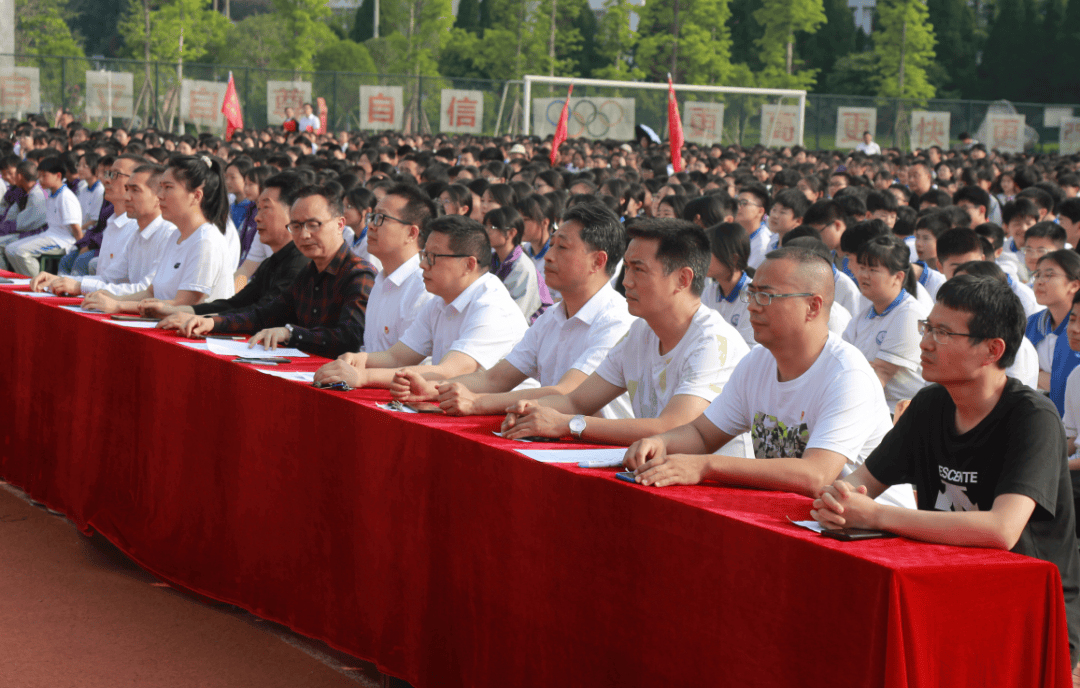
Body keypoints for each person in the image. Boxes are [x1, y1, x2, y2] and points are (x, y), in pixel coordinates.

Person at [810, 275, 1079, 675]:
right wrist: (835, 502)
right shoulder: (930, 403)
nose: (925, 342)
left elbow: (1000, 531)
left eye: (943, 332)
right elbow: (858, 483)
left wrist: (875, 515)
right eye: (927, 328)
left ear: (992, 349)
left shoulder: (1031, 418)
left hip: (1023, 607)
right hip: (941, 582)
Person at [621, 246, 914, 508]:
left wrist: (705, 466)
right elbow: (702, 434)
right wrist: (661, 442)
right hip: (799, 517)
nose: (752, 305)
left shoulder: (847, 375)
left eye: (766, 295)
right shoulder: (757, 362)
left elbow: (816, 475)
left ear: (813, 306)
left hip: (870, 533)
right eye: (752, 293)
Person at [500, 219, 752, 453]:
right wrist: (533, 412)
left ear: (682, 279)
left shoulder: (714, 343)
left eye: (638, 270)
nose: (626, 282)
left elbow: (672, 428)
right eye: (627, 268)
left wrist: (568, 424)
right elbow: (577, 401)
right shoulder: (640, 332)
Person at [393, 202, 635, 419]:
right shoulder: (551, 317)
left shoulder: (616, 322)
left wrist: (477, 402)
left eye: (562, 248)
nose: (548, 257)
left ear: (598, 261)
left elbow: (567, 392)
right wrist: (436, 389)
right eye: (551, 245)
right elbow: (495, 378)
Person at [312, 214, 528, 389]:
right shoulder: (441, 300)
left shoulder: (492, 307)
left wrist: (364, 376)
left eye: (432, 258)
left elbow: (449, 371)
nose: (423, 265)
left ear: (468, 265)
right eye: (424, 255)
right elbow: (398, 356)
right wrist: (360, 360)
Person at [179, 184, 376, 358]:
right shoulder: (296, 266)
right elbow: (251, 297)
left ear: (340, 225)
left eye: (313, 225)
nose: (304, 234)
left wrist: (290, 333)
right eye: (296, 226)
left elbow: (349, 337)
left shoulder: (356, 273)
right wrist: (209, 320)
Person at [144, 171, 310, 325]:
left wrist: (207, 320)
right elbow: (238, 296)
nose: (257, 218)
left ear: (294, 211)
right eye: (258, 209)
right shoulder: (271, 262)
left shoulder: (301, 263)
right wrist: (177, 311)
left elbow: (263, 313)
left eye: (266, 208)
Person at [82, 155, 235, 313]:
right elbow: (151, 292)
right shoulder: (177, 235)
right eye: (160, 187)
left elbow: (182, 305)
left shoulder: (205, 240)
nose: (160, 195)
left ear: (196, 196)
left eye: (168, 187)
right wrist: (110, 297)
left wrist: (118, 306)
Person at [32, 164, 176, 298]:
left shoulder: (169, 235)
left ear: (158, 198)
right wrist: (62, 280)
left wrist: (79, 286)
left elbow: (147, 290)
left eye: (135, 190)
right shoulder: (137, 235)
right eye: (127, 190)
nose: (126, 197)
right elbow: (110, 279)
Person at [361, 183, 437, 352]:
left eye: (381, 218)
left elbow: (412, 366)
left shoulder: (424, 286)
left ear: (411, 233)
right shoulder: (381, 281)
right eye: (372, 217)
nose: (371, 226)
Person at [951, 261, 1039, 389]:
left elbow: (1012, 398)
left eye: (962, 288)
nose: (952, 295)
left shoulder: (1018, 347)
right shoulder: (957, 334)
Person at [4, 156, 83, 277]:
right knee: (10, 249)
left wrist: (79, 251)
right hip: (49, 235)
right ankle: (25, 279)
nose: (40, 180)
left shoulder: (66, 197)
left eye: (44, 176)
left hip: (62, 241)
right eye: (39, 176)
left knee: (20, 252)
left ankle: (35, 281)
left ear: (58, 176)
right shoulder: (52, 194)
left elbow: (76, 230)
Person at [1027, 250, 1080, 413]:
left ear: (1074, 285)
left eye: (1049, 275)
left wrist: (1039, 376)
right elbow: (1019, 373)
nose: (1040, 282)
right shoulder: (1032, 323)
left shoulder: (1076, 330)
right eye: (1037, 274)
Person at [483, 205, 553, 323]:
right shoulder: (491, 260)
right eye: (486, 227)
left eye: (493, 227)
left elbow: (516, 313)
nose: (487, 232)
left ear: (511, 233)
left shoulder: (522, 267)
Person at [701, 222, 756, 347]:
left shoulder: (752, 296)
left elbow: (749, 348)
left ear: (733, 258)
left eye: (708, 253)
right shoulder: (710, 292)